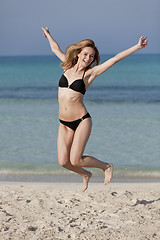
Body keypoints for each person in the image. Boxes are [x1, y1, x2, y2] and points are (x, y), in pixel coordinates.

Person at [42, 27, 147, 192]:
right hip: (63, 123)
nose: (88, 58)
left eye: (91, 56)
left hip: (82, 121)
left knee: (76, 160)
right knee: (63, 162)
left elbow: (115, 59)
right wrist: (49, 35)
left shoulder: (89, 74)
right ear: (78, 53)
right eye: (85, 54)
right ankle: (85, 175)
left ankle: (106, 166)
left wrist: (137, 47)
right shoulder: (66, 66)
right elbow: (55, 48)